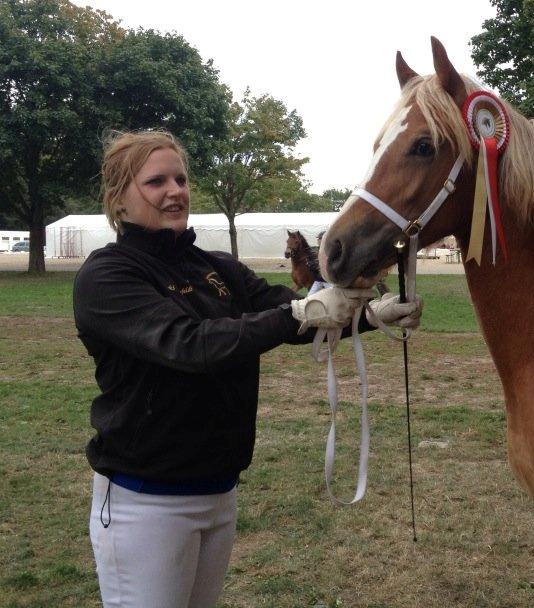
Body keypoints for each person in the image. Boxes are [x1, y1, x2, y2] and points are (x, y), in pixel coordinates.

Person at [73, 130, 422, 608]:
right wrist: (296, 315)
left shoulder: (217, 266)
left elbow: (292, 309)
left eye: (180, 178)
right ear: (119, 197)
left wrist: (367, 315)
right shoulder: (108, 275)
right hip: (145, 502)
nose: (175, 191)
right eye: (156, 182)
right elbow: (188, 345)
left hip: (219, 491)